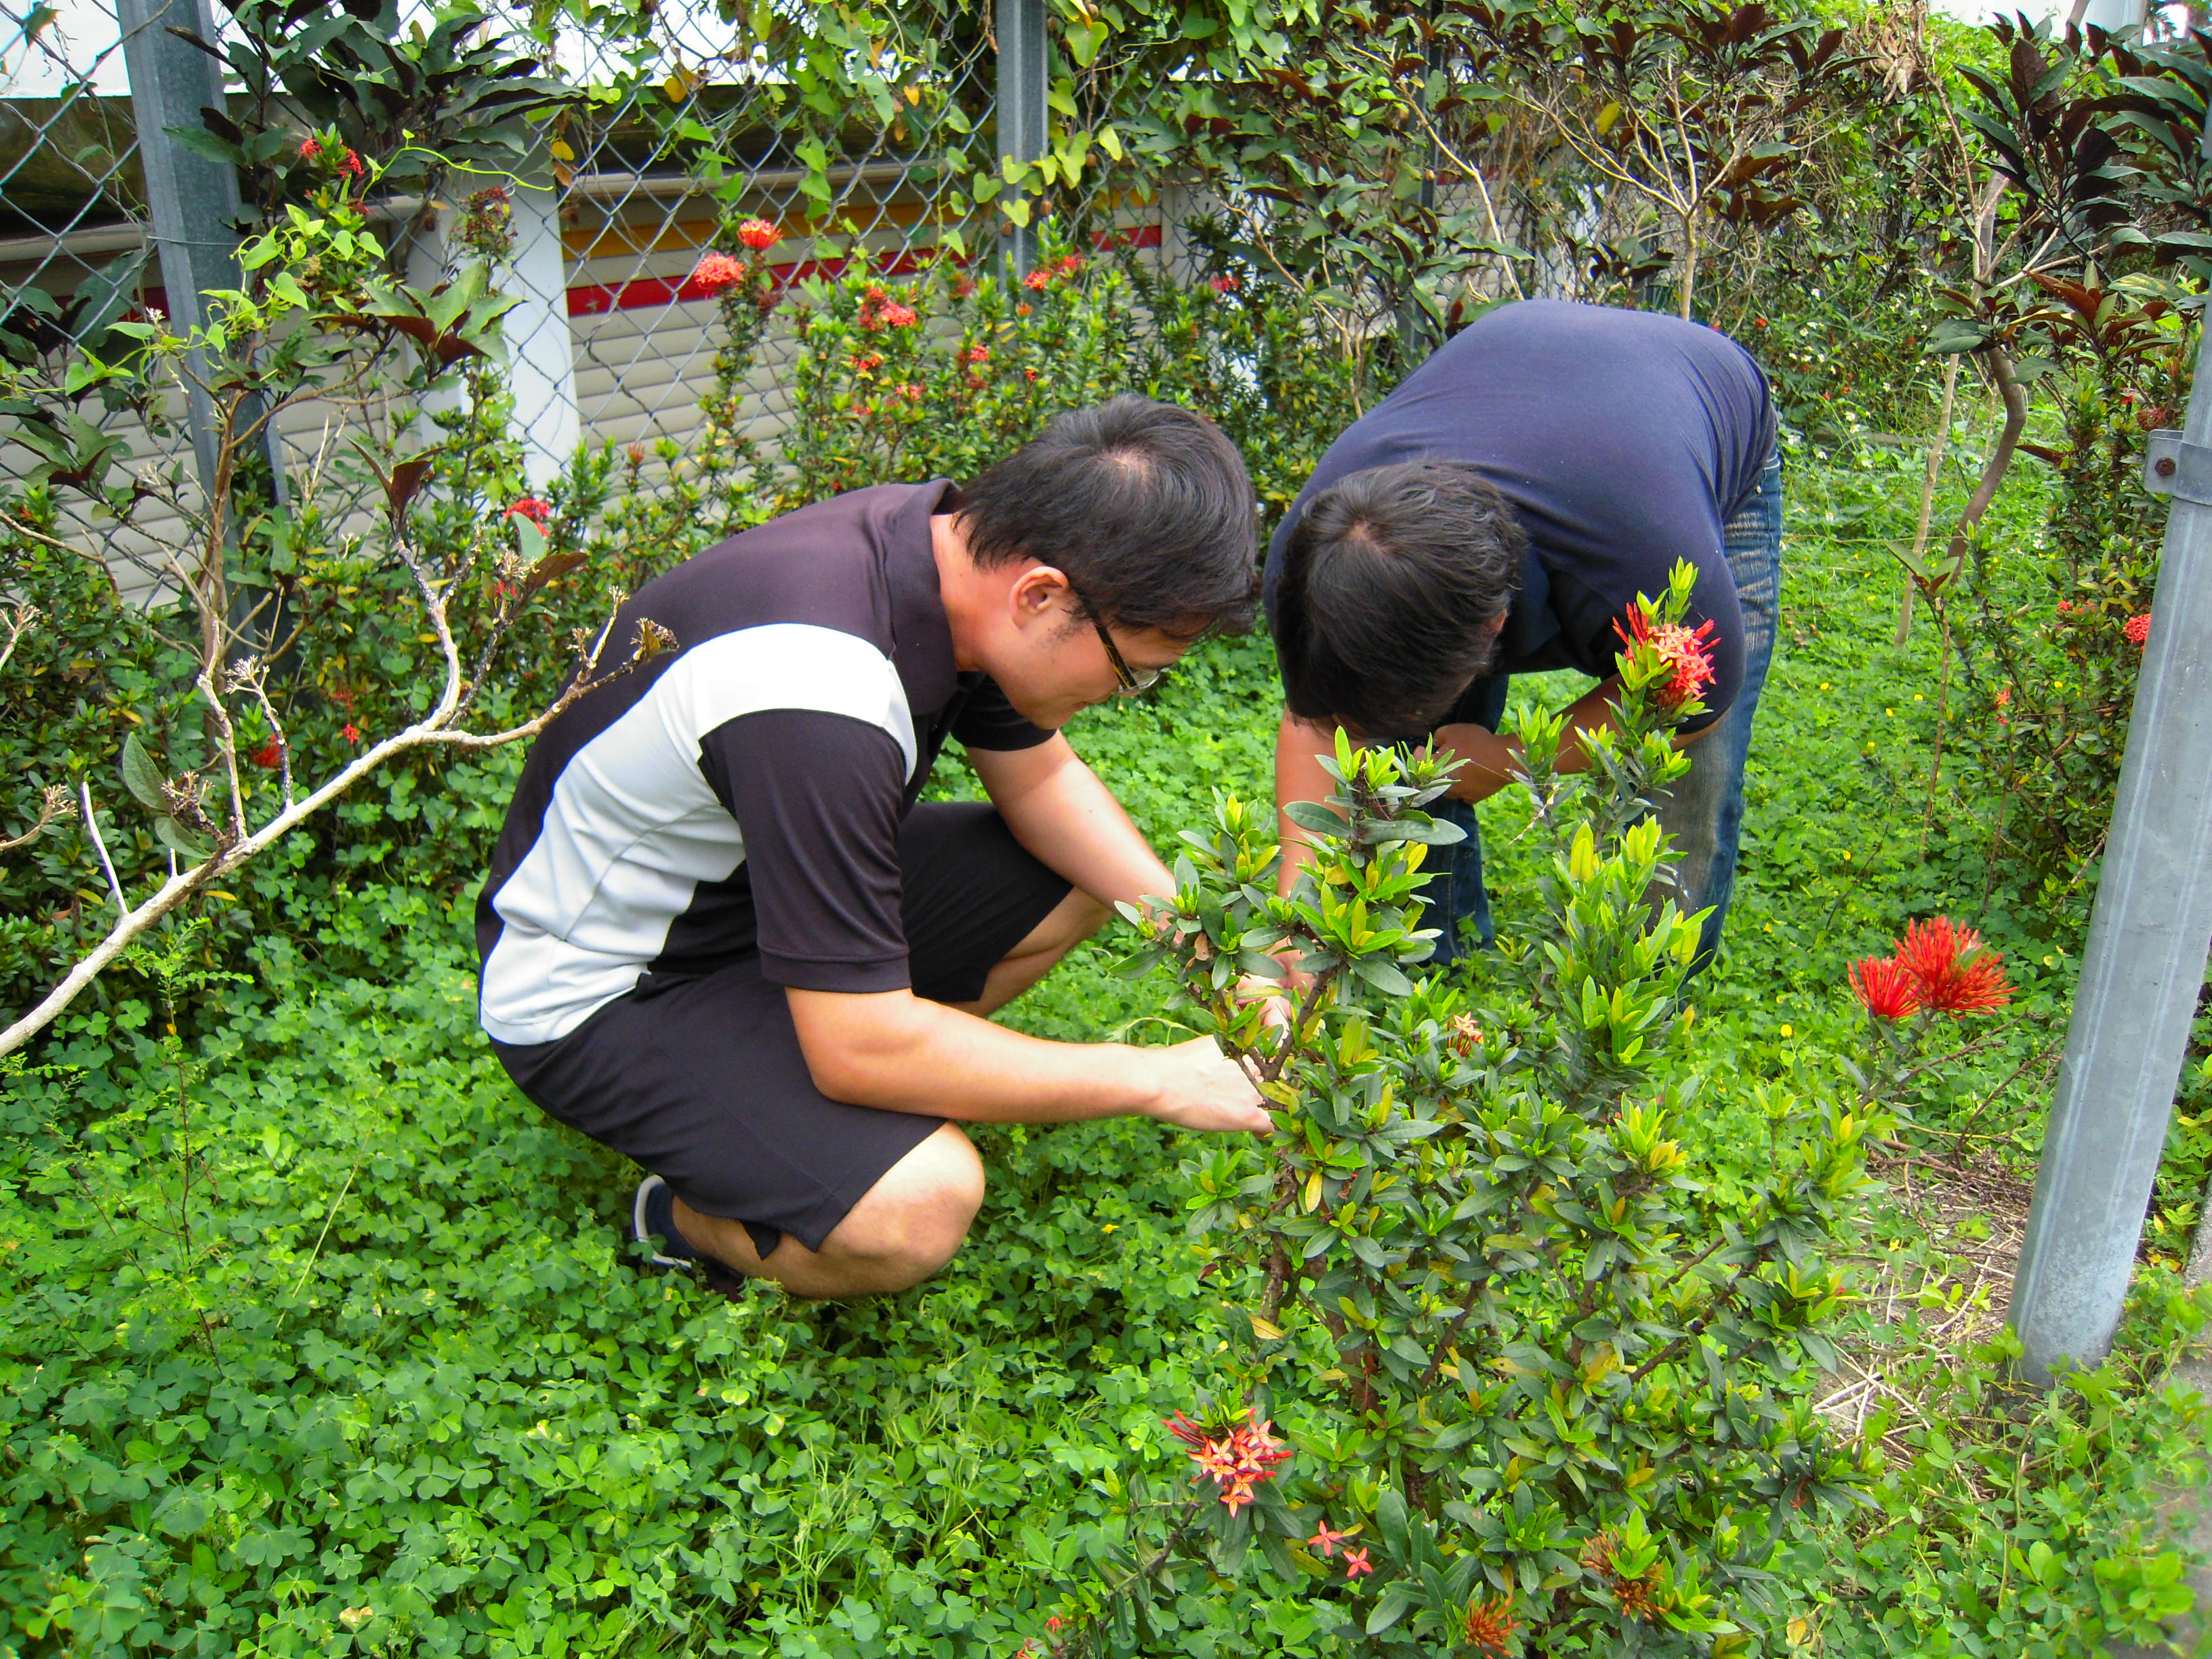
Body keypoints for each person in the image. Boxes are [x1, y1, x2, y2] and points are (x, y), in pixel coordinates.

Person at [476, 395, 1271, 1301]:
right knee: (920, 1201)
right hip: (607, 989)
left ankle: (805, 1105)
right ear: (1040, 594)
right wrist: (1160, 1080)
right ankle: (683, 1214)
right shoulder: (816, 694)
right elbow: (857, 1048)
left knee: (1072, 877)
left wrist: (1207, 952)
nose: (1132, 691)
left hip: (738, 898)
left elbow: (1044, 784)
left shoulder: (948, 549)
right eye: (1138, 670)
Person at [1265, 298, 1782, 965]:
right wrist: (1294, 934)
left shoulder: (1649, 560)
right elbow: (1316, 724)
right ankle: (1436, 964)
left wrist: (1506, 758)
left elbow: (1685, 712)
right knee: (1386, 717)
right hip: (1523, 375)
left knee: (1689, 775)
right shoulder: (1318, 562)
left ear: (1496, 629)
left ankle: (1643, 987)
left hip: (1702, 405)